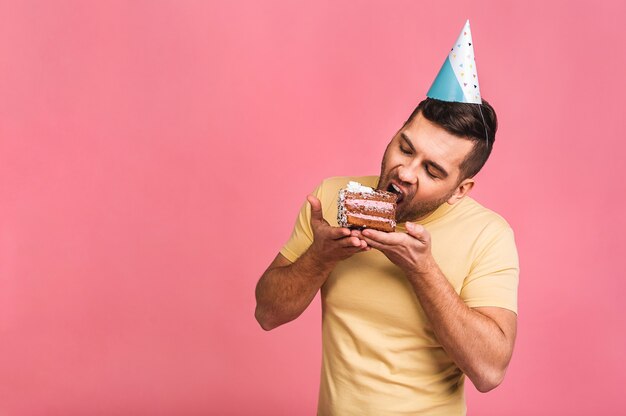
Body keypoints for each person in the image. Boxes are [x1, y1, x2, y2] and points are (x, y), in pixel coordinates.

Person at [255, 21, 518, 415]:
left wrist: (423, 269)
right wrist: (320, 256)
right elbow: (267, 313)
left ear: (461, 190)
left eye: (432, 171)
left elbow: (489, 371)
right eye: (405, 147)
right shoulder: (331, 197)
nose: (405, 171)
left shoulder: (489, 235)